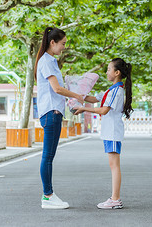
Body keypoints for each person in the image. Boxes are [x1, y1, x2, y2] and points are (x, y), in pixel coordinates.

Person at [35, 27, 84, 209]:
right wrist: (77, 95)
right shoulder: (46, 61)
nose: (64, 47)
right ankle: (47, 195)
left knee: (49, 156)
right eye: (62, 43)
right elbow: (57, 89)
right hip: (50, 113)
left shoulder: (51, 61)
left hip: (54, 112)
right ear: (52, 42)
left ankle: (48, 195)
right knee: (47, 156)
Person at [74, 58, 133, 209]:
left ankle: (115, 199)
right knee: (113, 165)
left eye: (108, 69)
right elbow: (93, 99)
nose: (106, 72)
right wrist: (76, 93)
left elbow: (103, 110)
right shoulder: (111, 90)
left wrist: (84, 109)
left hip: (112, 132)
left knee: (114, 166)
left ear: (117, 72)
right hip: (109, 132)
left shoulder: (117, 91)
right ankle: (115, 198)